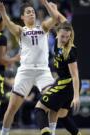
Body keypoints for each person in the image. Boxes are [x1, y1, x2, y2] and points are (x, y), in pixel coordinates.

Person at [0, 0, 59, 134]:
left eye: (33, 12)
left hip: (43, 71)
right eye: (28, 12)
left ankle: (51, 132)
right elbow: (9, 24)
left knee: (54, 102)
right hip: (25, 71)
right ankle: (3, 133)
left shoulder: (43, 27)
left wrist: (46, 4)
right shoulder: (20, 30)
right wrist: (3, 12)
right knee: (12, 108)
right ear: (22, 17)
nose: (31, 14)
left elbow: (55, 18)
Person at [35, 3, 81, 135]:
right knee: (60, 114)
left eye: (67, 37)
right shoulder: (58, 35)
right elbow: (58, 17)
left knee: (39, 108)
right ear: (57, 32)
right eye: (63, 36)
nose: (65, 39)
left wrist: (76, 96)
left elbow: (75, 75)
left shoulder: (70, 51)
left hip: (67, 83)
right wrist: (46, 4)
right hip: (62, 81)